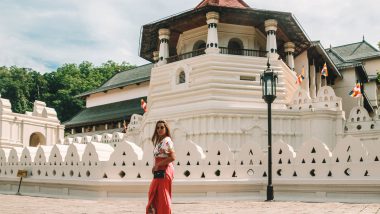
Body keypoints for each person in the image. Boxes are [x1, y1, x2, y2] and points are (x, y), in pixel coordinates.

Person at [146, 120, 176, 214]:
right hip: (160, 170)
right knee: (154, 193)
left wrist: (158, 165)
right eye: (158, 128)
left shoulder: (167, 141)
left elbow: (172, 157)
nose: (159, 129)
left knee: (162, 196)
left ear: (166, 129)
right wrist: (156, 166)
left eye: (162, 127)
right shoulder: (160, 142)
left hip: (164, 170)